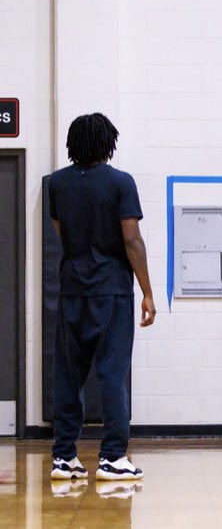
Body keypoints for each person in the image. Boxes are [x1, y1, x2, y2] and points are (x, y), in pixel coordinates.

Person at [48, 113, 156, 483]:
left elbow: (61, 231)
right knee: (112, 374)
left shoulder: (57, 183)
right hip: (111, 290)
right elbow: (132, 239)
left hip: (72, 288)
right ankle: (112, 457)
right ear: (108, 143)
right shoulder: (121, 182)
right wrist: (147, 291)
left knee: (68, 376)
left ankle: (64, 457)